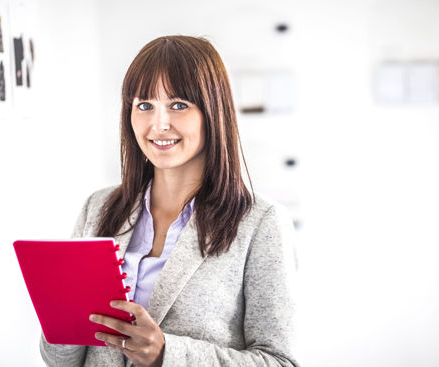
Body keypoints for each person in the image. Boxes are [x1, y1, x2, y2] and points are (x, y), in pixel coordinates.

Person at [40, 35, 300, 367]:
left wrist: (167, 354)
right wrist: (58, 315)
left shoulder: (260, 223)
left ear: (212, 112)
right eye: (144, 105)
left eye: (178, 105)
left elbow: (279, 361)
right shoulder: (98, 207)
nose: (159, 125)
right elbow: (62, 359)